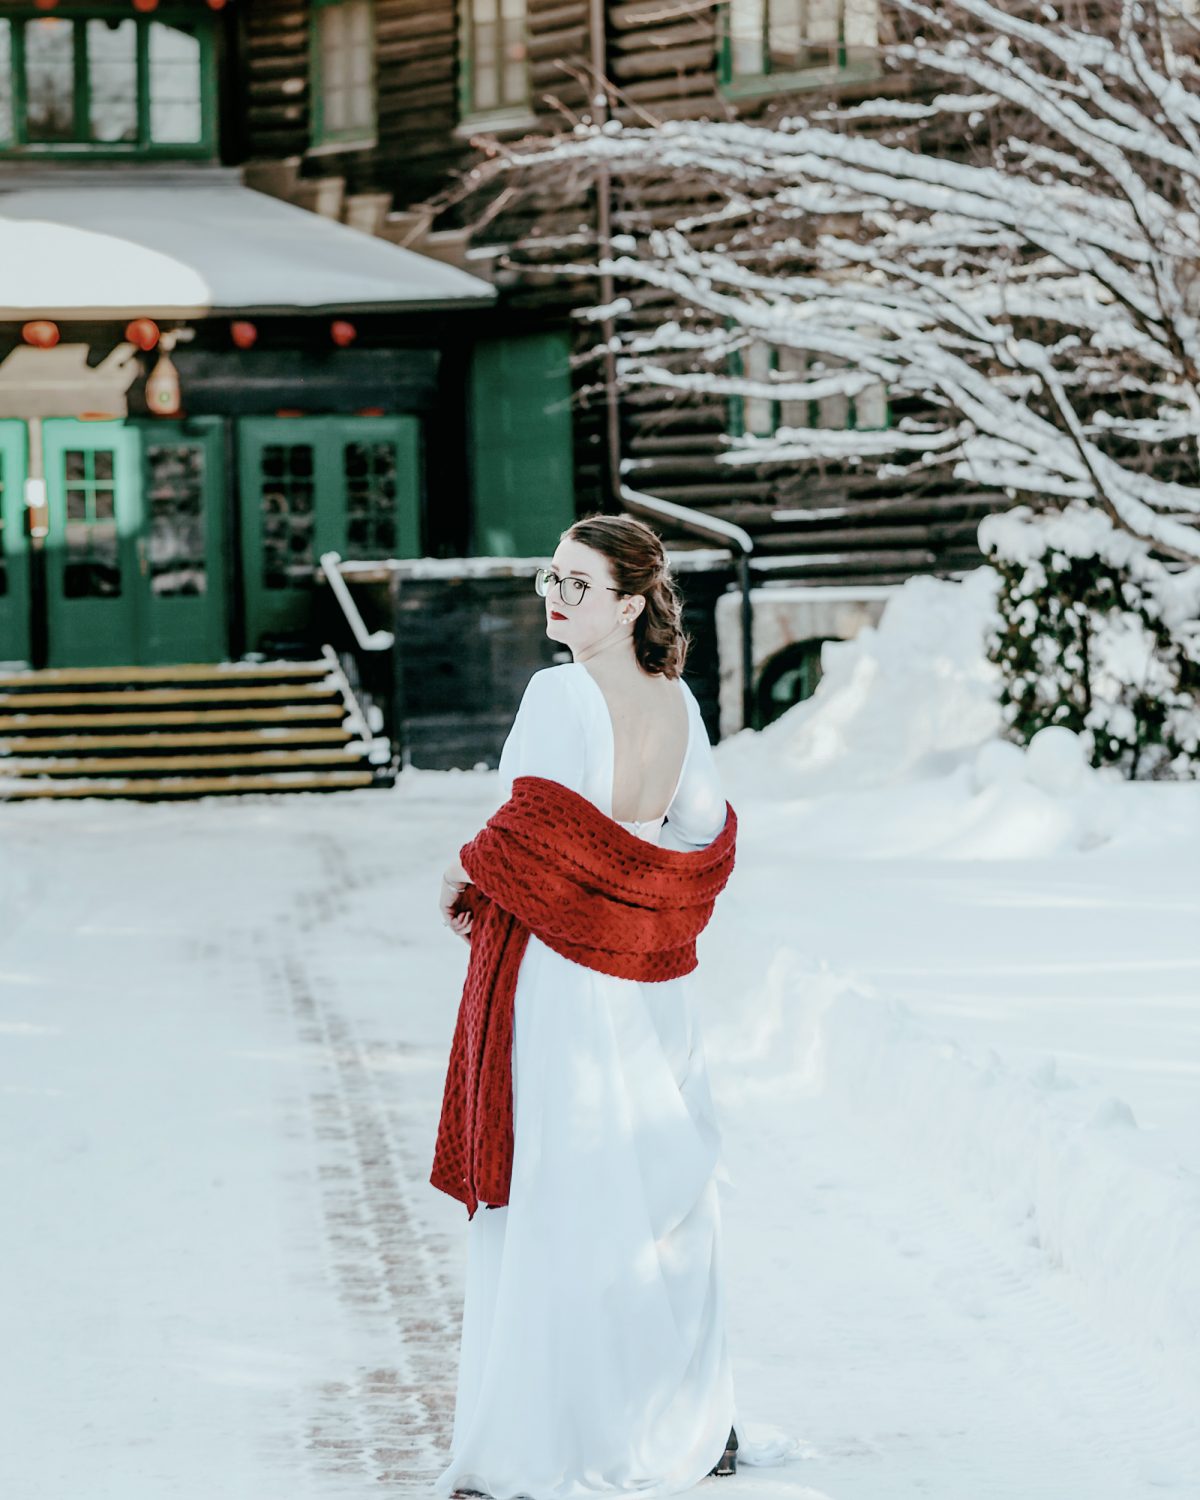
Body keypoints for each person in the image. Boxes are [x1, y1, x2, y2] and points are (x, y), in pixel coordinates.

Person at [433, 514, 740, 1499]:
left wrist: (461, 873)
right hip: (646, 980)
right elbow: (701, 834)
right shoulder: (676, 700)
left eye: (577, 583)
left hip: (562, 977)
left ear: (633, 601)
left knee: (558, 1199)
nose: (554, 598)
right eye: (549, 578)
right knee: (642, 1194)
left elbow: (524, 827)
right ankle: (677, 1412)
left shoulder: (561, 693)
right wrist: (643, 908)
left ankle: (540, 1436)